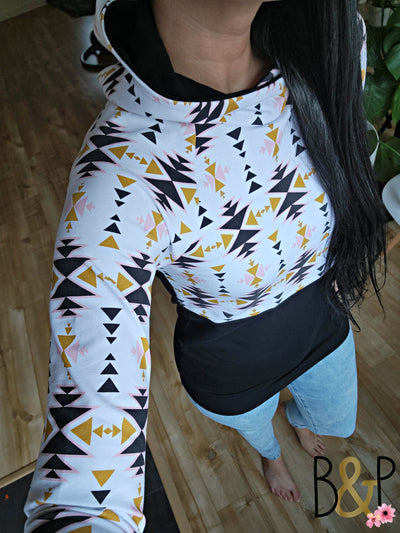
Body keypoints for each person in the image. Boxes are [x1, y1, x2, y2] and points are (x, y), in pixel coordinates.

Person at [24, 0, 386, 530]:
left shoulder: (336, 44)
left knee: (336, 419)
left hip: (323, 326)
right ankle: (271, 454)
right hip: (230, 372)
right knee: (259, 432)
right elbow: (85, 478)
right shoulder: (119, 177)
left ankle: (298, 421)